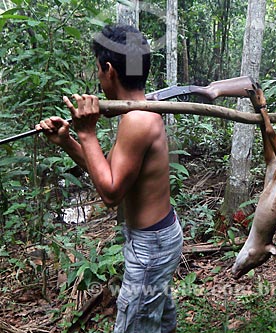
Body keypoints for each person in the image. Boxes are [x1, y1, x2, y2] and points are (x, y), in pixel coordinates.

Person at [36, 24, 183, 333]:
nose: (99, 79)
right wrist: (69, 142)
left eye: (99, 71)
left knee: (135, 323)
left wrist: (87, 133)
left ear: (109, 70)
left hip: (151, 246)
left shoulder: (137, 121)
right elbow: (109, 173)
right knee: (155, 317)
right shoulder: (139, 113)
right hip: (157, 239)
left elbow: (110, 194)